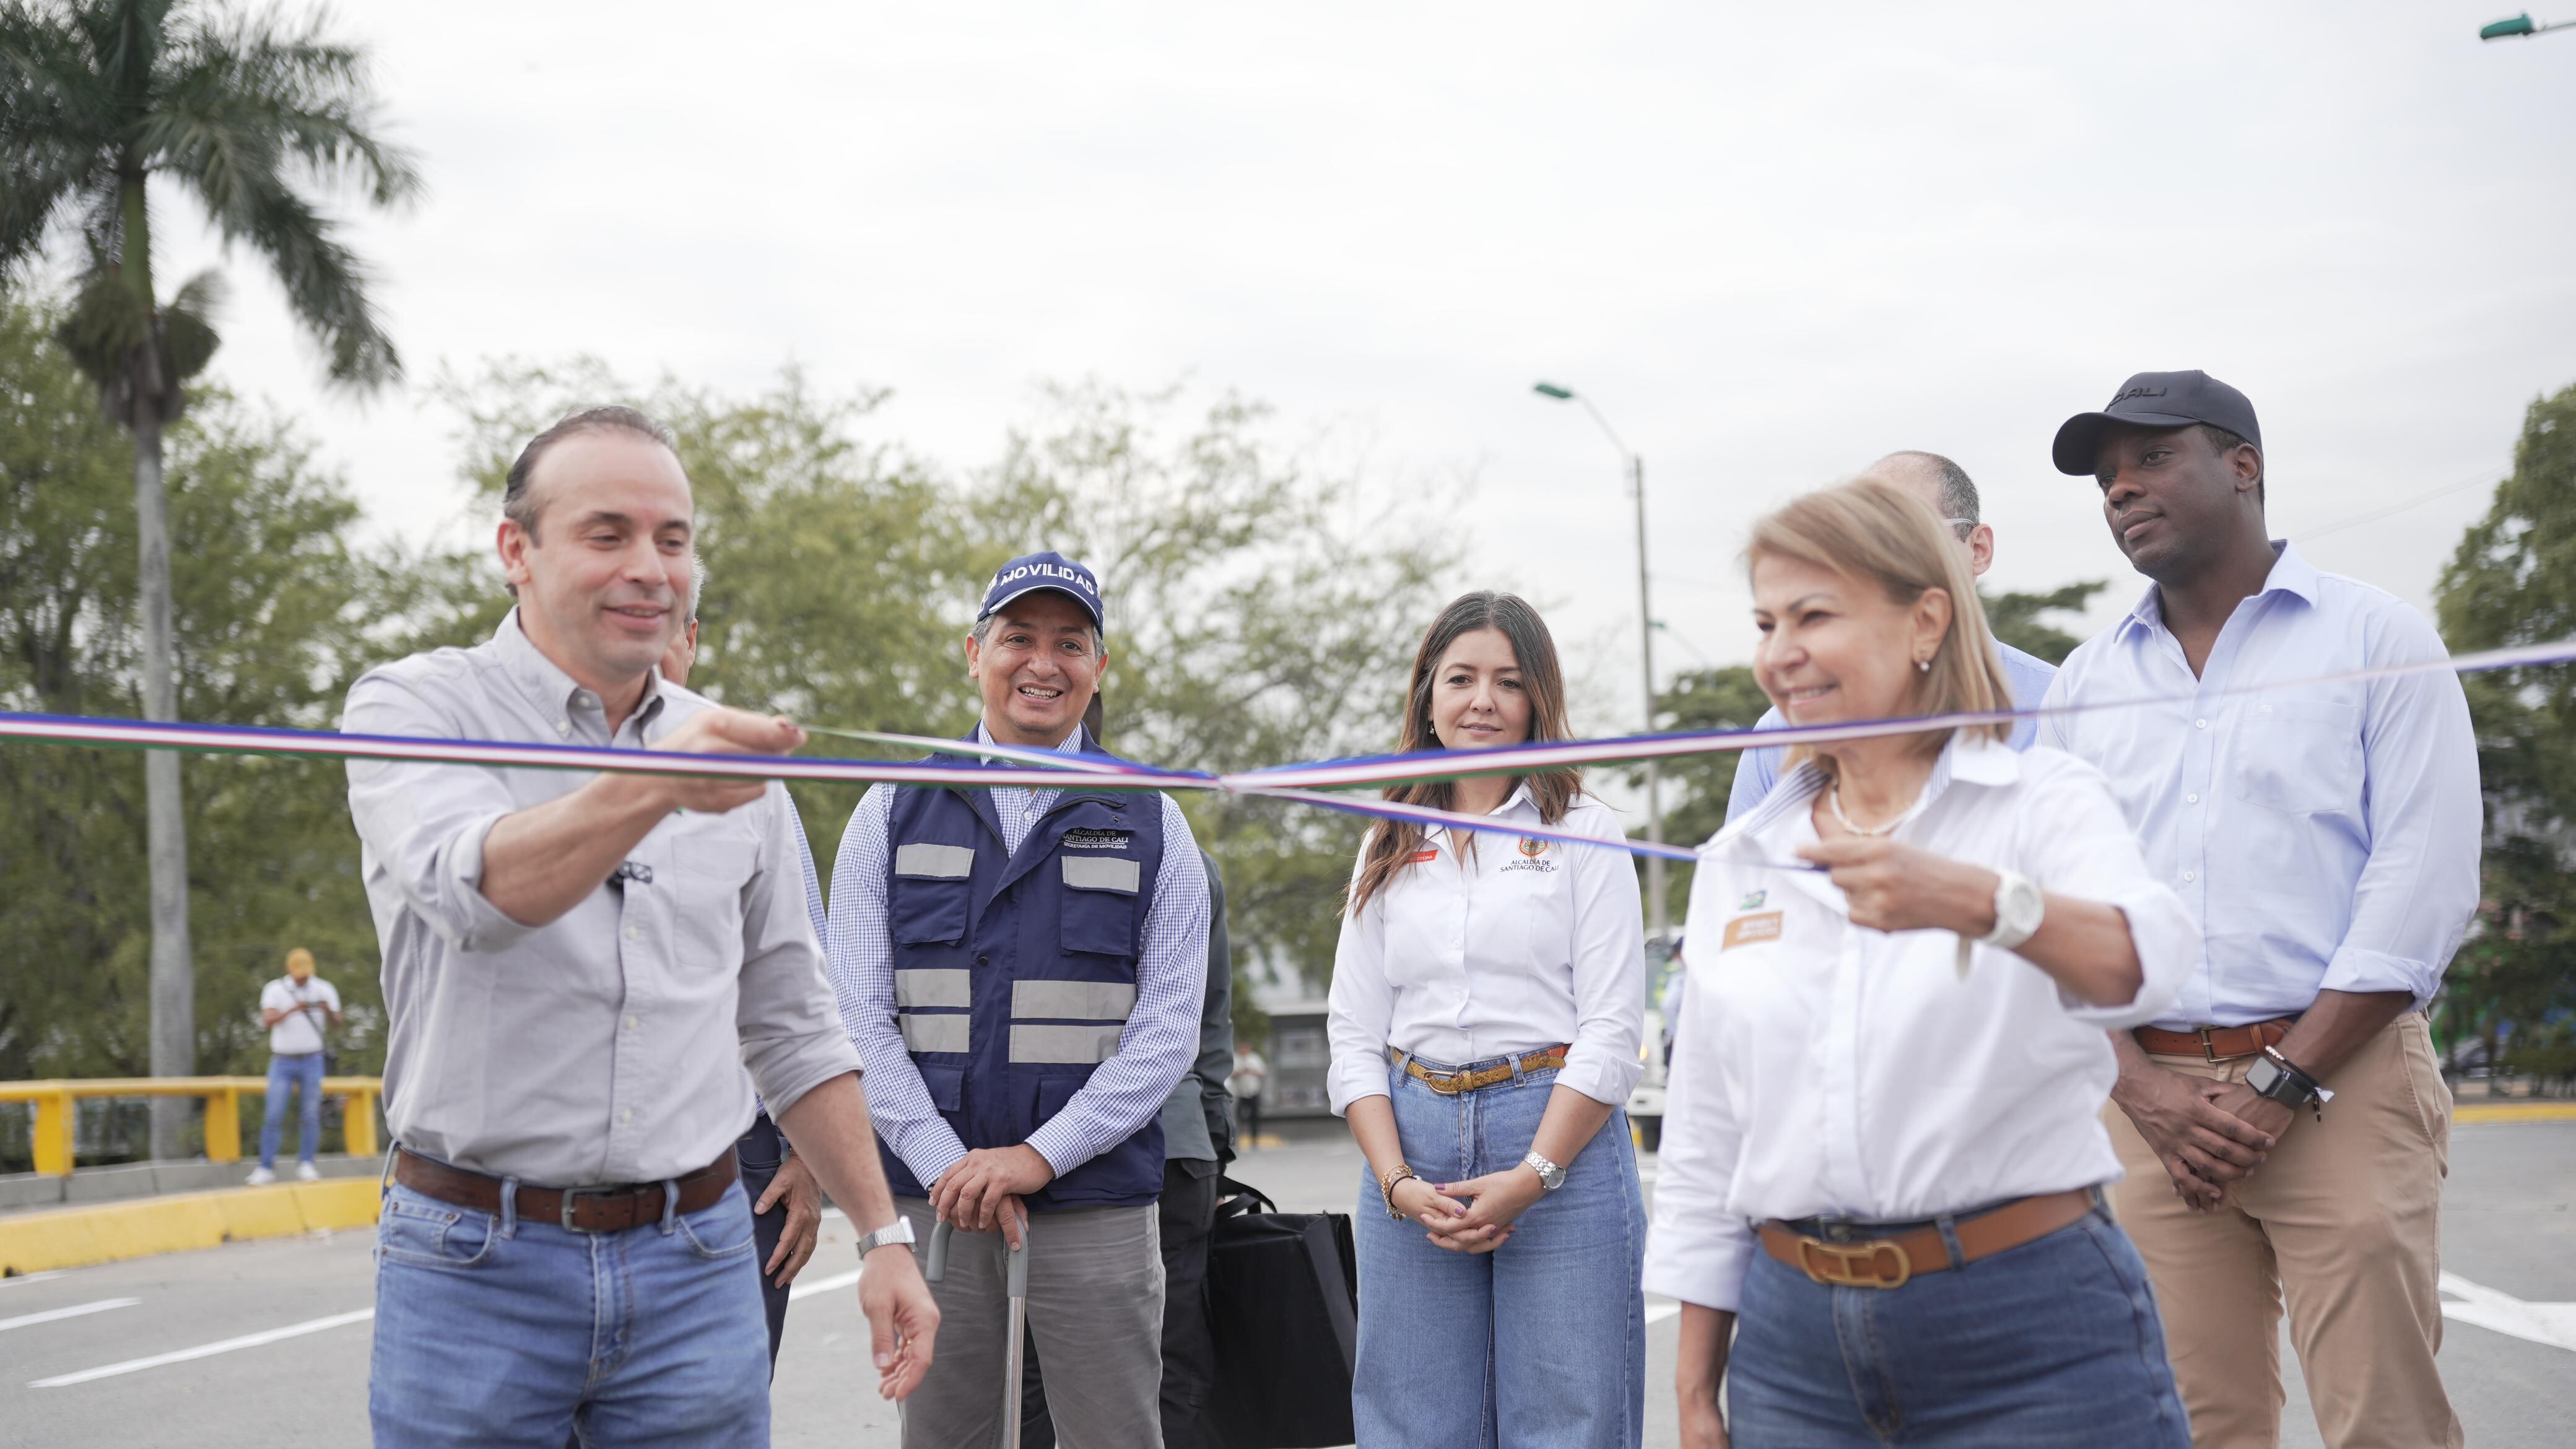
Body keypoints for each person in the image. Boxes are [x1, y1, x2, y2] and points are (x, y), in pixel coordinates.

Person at [342, 406, 938, 1449]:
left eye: (673, 539)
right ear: (515, 551)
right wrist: (661, 782)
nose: (651, 569)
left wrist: (883, 1235)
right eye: (607, 533)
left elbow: (794, 1022)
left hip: (698, 1262)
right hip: (473, 1260)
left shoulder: (733, 768)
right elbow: (481, 894)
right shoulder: (413, 707)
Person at [1646, 479, 2197, 1449]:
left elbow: (2145, 964)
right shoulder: (1742, 858)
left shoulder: (2043, 801)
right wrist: (1696, 1397)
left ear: (1926, 621)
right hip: (1791, 1356)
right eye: (1768, 621)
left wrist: (1981, 903)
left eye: (1815, 615)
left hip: (2030, 1333)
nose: (1781, 653)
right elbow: (1704, 1140)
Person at [2040, 371, 2481, 1449]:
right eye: (2106, 479)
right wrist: (2137, 1086)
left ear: (2245, 466)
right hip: (2150, 1112)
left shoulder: (2377, 640)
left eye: (2151, 459)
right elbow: (2054, 918)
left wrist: (2283, 1082)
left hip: (2344, 1081)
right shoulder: (2085, 688)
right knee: (2190, 1425)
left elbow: (2420, 884)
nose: (2121, 492)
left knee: (2385, 1420)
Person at [825, 550, 1211, 1449]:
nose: (1044, 662)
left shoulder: (1155, 814)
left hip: (1096, 1201)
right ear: (973, 653)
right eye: (1018, 638)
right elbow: (854, 1017)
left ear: (1099, 668)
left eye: (1070, 643)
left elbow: (1167, 1032)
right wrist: (942, 1162)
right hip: (935, 1202)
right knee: (946, 1437)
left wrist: (1038, 1156)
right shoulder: (891, 804)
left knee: (1113, 1436)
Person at [1326, 590, 1650, 1448]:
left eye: (1508, 683)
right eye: (1461, 678)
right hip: (1411, 1147)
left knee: (1567, 1423)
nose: (1482, 701)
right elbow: (1354, 1033)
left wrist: (1534, 1172)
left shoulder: (1584, 830)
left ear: (1538, 700)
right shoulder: (1386, 837)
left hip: (1557, 1143)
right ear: (1428, 695)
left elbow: (1615, 1030)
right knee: (1410, 1423)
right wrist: (1396, 1182)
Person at [656, 567, 829, 1377]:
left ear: (690, 642)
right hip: (588, 1160)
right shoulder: (526, 771)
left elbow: (802, 994)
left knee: (723, 1401)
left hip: (745, 1160)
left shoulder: (758, 789)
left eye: (666, 626)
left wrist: (809, 1157)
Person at [1022, 846, 1237, 1449]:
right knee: (1168, 1361)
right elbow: (1209, 1014)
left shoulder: (1006, 851)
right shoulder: (1179, 851)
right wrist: (1213, 1143)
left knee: (1027, 1367)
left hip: (1029, 1139)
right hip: (1172, 1144)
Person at [1725, 451, 2056, 821]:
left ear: (1978, 550)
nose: (1876, 561)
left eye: (1903, 537)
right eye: (1856, 543)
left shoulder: (2060, 704)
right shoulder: (1780, 732)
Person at [248, 947, 341, 1185]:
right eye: (299, 974)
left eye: (306, 973)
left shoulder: (324, 988)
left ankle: (307, 1164)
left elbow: (339, 1023)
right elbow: (266, 1021)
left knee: (310, 1114)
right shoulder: (275, 989)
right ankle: (266, 1167)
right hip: (282, 1061)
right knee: (273, 1114)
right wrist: (292, 1010)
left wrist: (326, 1008)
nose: (303, 978)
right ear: (290, 971)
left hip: (313, 1060)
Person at [1226, 1044, 1267, 1147]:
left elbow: (1263, 1073)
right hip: (1240, 1094)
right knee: (1238, 1118)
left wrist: (1251, 1071)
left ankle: (1254, 1141)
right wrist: (1242, 1071)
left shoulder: (1255, 1058)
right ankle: (1237, 1140)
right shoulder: (1235, 1059)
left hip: (1254, 1092)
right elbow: (1231, 1075)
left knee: (1255, 1117)